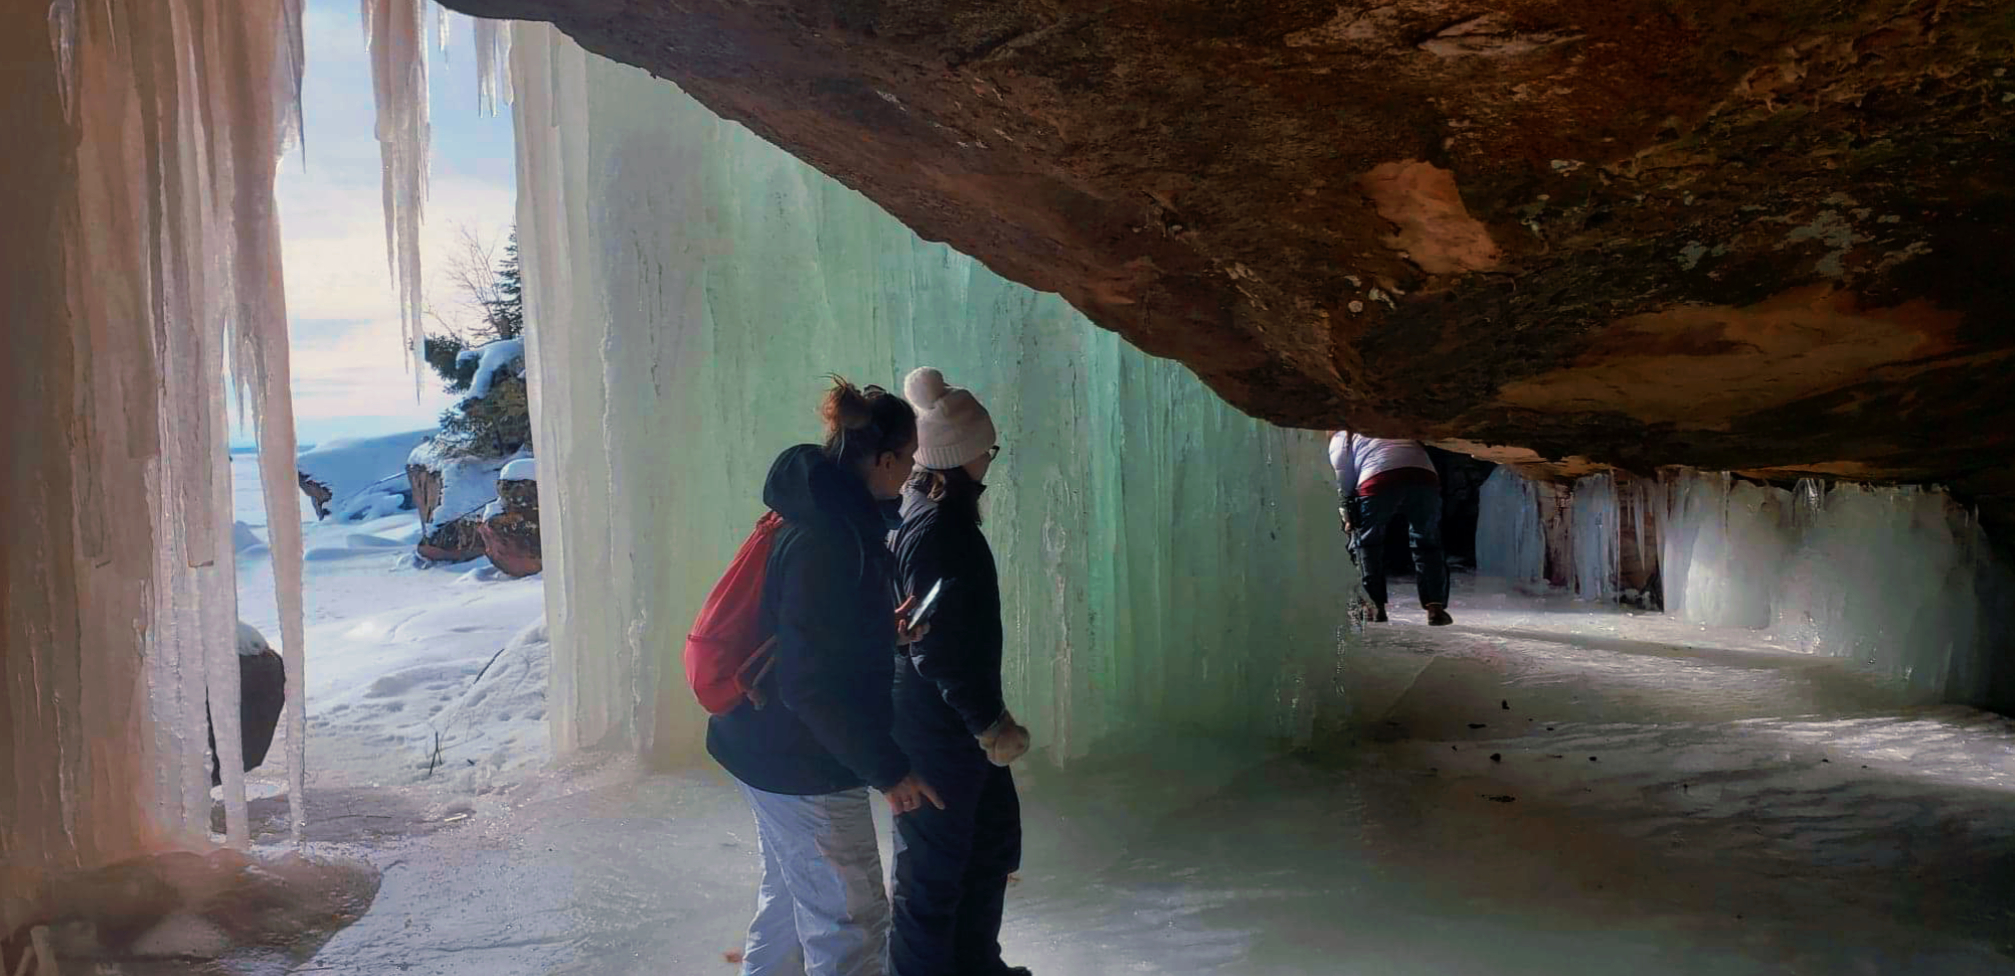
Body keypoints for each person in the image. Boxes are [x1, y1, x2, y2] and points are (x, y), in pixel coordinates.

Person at [707, 377, 945, 976]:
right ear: (885, 459)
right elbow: (810, 684)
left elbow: (808, 635)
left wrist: (880, 632)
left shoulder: (820, 513)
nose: (913, 473)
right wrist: (888, 770)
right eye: (911, 460)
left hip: (763, 742)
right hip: (802, 759)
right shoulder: (832, 539)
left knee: (791, 903)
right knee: (851, 922)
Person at [888, 367, 1033, 976]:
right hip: (939, 725)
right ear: (964, 456)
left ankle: (977, 965)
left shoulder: (923, 510)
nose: (988, 464)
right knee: (935, 872)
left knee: (989, 844)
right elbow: (936, 645)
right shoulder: (941, 531)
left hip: (946, 720)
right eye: (986, 452)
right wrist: (988, 721)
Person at [1330, 430, 1453, 626]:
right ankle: (1435, 608)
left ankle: (1375, 607)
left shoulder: (1342, 437)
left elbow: (1342, 477)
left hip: (1377, 481)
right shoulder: (1393, 428)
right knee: (1427, 542)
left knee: (1367, 544)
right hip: (1424, 477)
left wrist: (1346, 511)